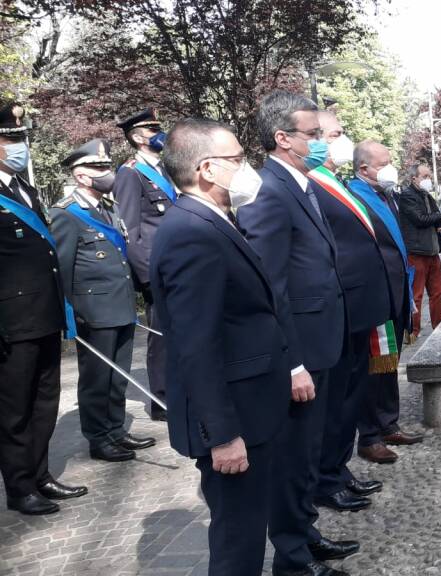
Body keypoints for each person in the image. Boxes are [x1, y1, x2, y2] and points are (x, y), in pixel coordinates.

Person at [150, 118, 292, 575]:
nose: (246, 168)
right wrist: (224, 435)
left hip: (251, 406)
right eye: (237, 159)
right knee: (238, 541)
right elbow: (196, 344)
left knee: (247, 531)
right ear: (208, 169)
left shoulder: (210, 220)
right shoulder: (191, 231)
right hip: (233, 420)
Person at [236, 91, 352, 576]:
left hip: (321, 341)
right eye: (314, 135)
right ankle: (292, 559)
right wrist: (291, 363)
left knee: (307, 452)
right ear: (283, 139)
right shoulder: (269, 191)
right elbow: (270, 286)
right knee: (291, 458)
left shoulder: (301, 184)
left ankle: (305, 534)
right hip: (298, 352)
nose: (322, 143)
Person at [0, 101, 88, 516]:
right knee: (14, 409)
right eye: (10, 138)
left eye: (20, 138)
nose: (19, 146)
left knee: (44, 401)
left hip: (43, 315)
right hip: (11, 323)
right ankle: (19, 488)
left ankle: (40, 475)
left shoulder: (22, 188)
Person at [50, 139, 156, 463]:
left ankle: (116, 429)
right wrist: (70, 317)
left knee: (118, 375)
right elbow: (62, 270)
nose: (105, 173)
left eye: (106, 167)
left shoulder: (108, 207)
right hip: (93, 310)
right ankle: (99, 438)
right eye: (98, 168)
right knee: (97, 378)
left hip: (120, 303)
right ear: (80, 176)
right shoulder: (66, 214)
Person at [307, 110, 388, 514]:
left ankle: (338, 471)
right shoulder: (310, 184)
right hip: (339, 311)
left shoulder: (331, 180)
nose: (341, 140)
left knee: (350, 397)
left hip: (357, 307)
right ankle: (327, 478)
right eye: (335, 134)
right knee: (335, 402)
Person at [350, 141, 423, 465]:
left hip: (396, 292)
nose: (391, 168)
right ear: (364, 168)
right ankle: (369, 436)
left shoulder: (386, 194)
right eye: (385, 162)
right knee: (372, 367)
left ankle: (388, 422)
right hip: (374, 296)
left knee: (389, 362)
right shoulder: (354, 197)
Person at [112, 108, 172, 421]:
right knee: (161, 336)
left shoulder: (164, 169)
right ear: (137, 137)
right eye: (152, 130)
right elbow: (130, 230)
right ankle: (161, 401)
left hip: (178, 265)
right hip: (156, 270)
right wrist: (147, 277)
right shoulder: (130, 173)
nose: (159, 134)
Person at [399, 163, 441, 340]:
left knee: (437, 292)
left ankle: (440, 324)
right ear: (414, 178)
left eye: (429, 176)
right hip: (417, 252)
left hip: (432, 250)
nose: (429, 180)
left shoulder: (427, 195)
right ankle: (413, 330)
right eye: (425, 176)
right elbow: (420, 219)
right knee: (416, 294)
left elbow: (435, 216)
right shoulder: (407, 196)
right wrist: (439, 215)